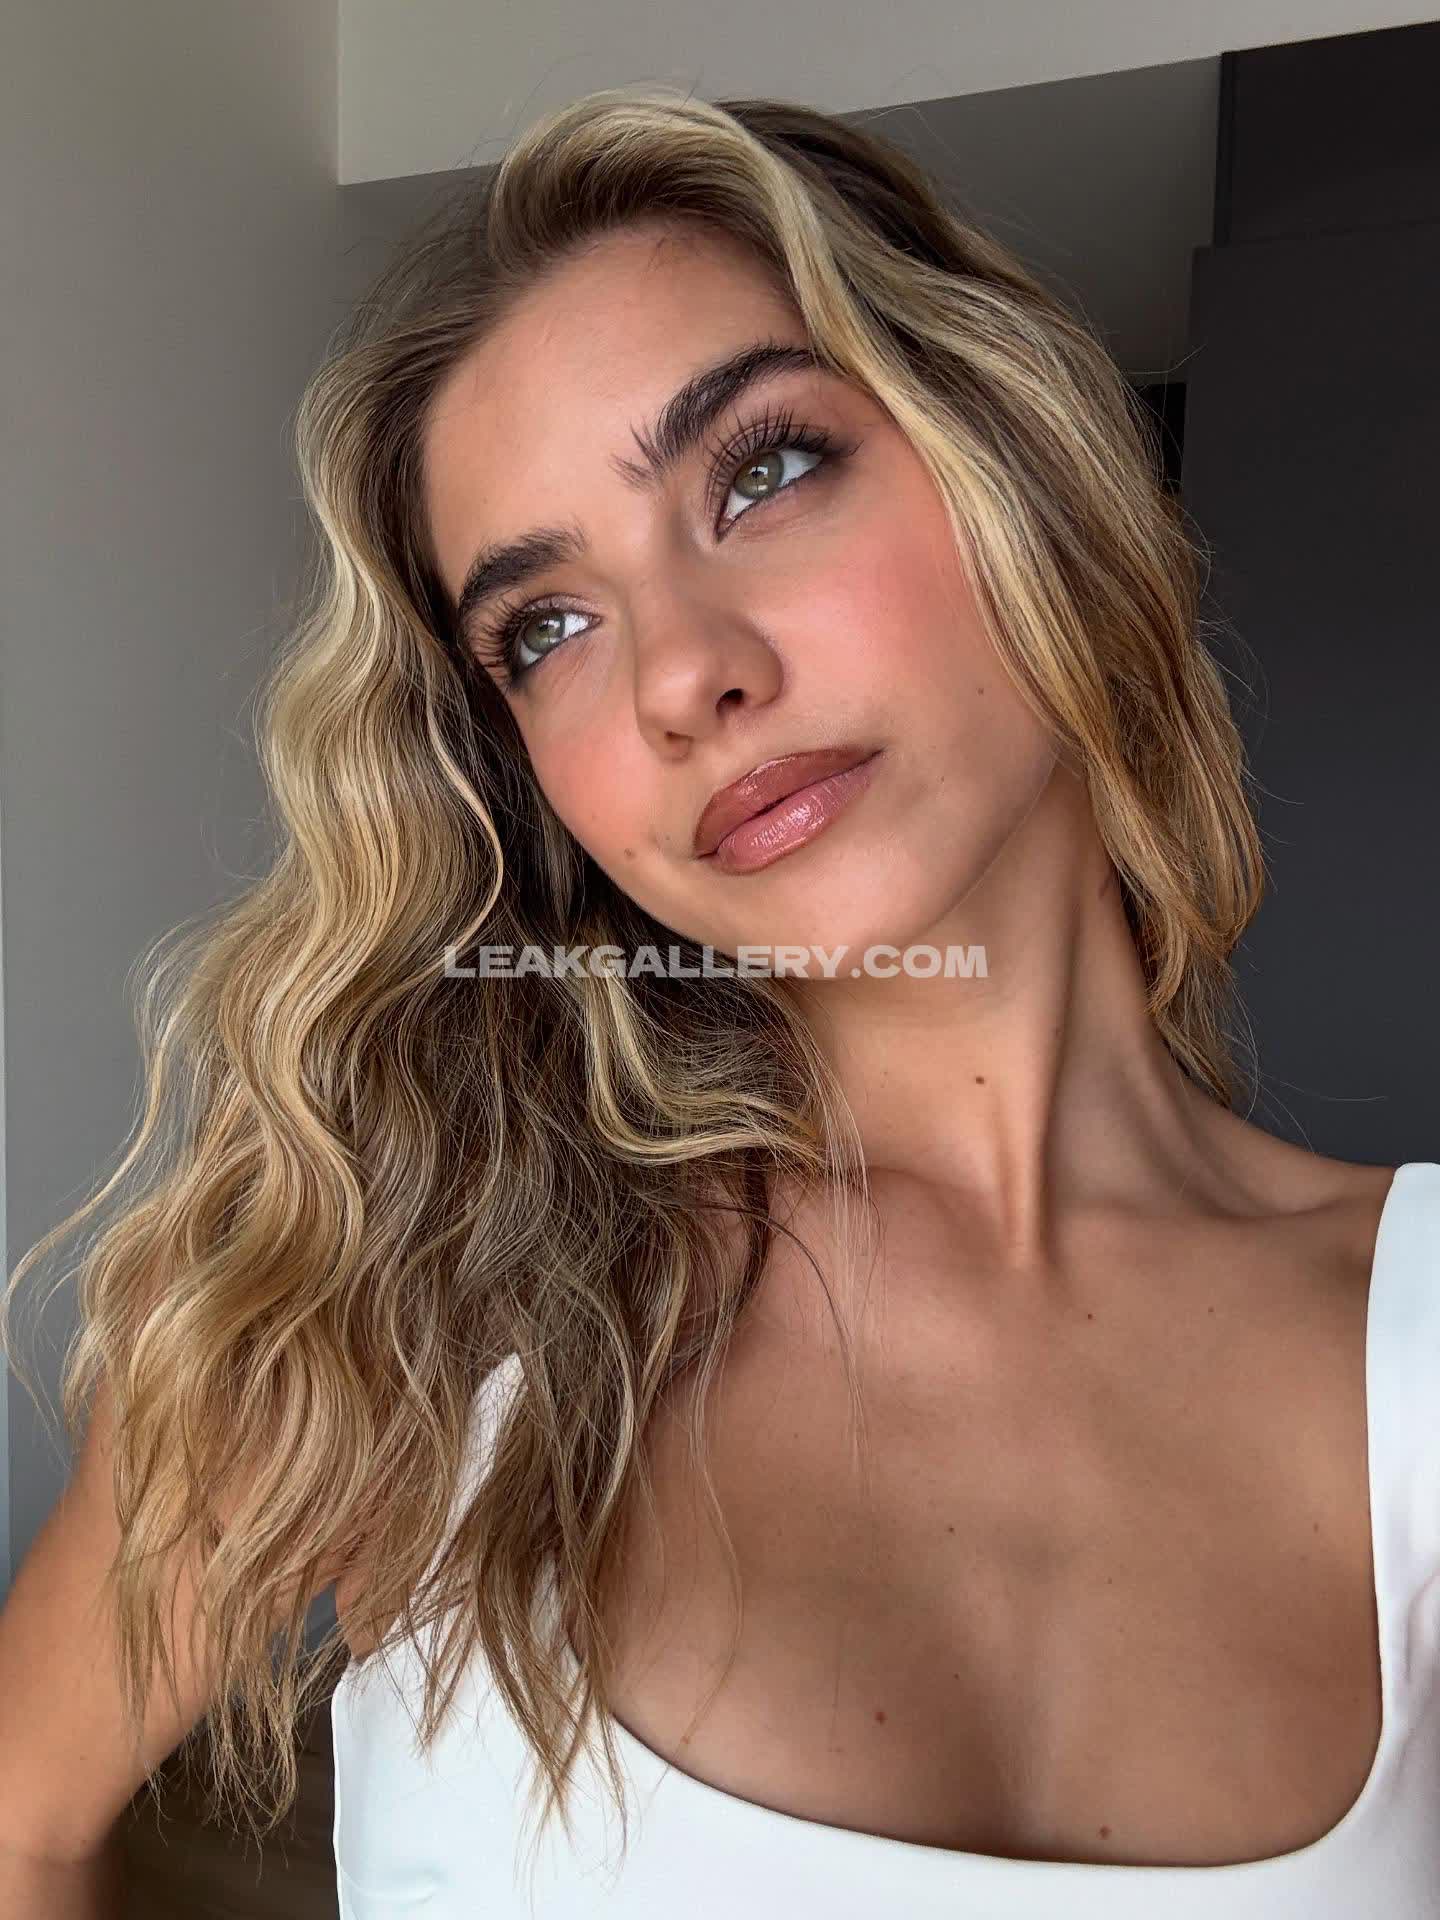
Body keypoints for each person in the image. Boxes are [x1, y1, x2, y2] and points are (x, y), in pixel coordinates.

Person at [0, 83, 1434, 1919]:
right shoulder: (400, 1293)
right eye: (546, 627)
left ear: (1022, 462)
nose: (681, 676)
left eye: (760, 473)